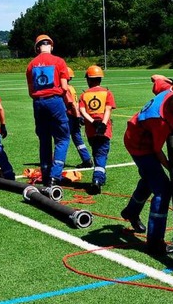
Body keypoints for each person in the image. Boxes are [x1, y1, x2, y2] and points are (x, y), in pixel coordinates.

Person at [120, 75, 173, 255]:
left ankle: (131, 212)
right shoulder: (160, 119)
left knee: (149, 180)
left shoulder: (168, 89)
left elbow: (156, 79)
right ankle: (155, 241)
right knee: (163, 189)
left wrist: (163, 78)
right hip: (140, 146)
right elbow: (157, 150)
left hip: (143, 138)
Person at [25, 34, 72, 186]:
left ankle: (45, 174)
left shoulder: (31, 65)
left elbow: (31, 91)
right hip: (55, 101)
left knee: (44, 139)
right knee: (62, 138)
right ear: (51, 46)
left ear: (37, 48)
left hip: (38, 103)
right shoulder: (59, 61)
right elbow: (64, 87)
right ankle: (55, 175)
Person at [78, 65, 116, 195]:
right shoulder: (107, 93)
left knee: (96, 152)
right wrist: (103, 124)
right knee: (101, 154)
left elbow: (82, 111)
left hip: (91, 130)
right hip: (104, 130)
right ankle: (97, 179)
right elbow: (108, 109)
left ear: (88, 79)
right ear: (100, 79)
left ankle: (101, 176)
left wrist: (93, 122)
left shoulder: (84, 95)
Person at [65, 67, 93, 169]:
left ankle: (57, 162)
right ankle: (86, 159)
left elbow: (72, 104)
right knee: (77, 138)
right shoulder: (71, 87)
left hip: (69, 115)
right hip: (74, 115)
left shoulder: (66, 88)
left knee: (63, 139)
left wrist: (77, 116)